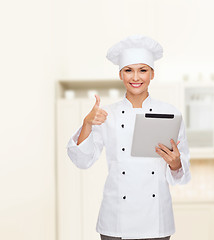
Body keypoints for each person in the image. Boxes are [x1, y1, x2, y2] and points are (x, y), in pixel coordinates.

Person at [66, 35, 191, 240]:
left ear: (152, 74)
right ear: (120, 74)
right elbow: (82, 160)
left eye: (142, 70)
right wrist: (87, 123)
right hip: (116, 219)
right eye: (128, 70)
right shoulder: (106, 114)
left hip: (156, 220)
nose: (135, 77)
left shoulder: (170, 113)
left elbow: (181, 173)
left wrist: (176, 164)